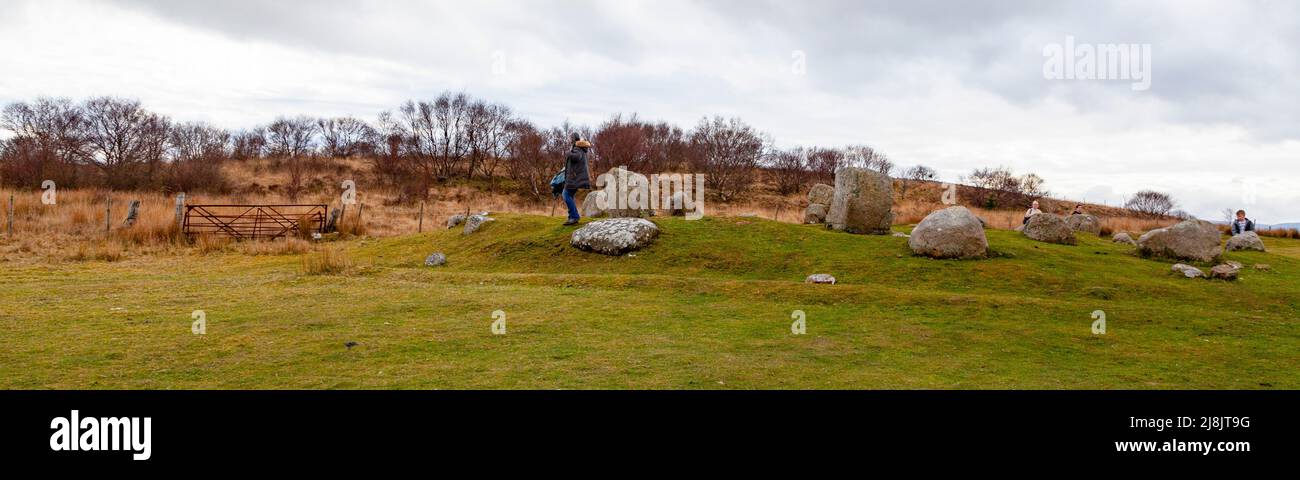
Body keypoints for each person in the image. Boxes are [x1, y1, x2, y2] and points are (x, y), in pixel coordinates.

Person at [561, 133, 592, 226]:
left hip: (575, 178)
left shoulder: (577, 149)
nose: (570, 139)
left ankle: (574, 217)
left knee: (566, 194)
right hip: (576, 178)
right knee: (568, 195)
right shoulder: (581, 149)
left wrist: (568, 153)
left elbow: (576, 157)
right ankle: (572, 216)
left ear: (574, 139)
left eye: (571, 138)